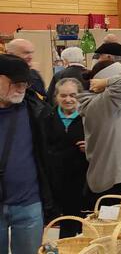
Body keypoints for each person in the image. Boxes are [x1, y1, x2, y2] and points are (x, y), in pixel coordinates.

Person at [0, 55, 55, 254]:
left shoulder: (37, 110)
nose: (21, 87)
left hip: (29, 203)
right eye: (15, 82)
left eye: (25, 82)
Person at [78, 59, 121, 206]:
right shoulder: (99, 103)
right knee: (113, 225)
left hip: (120, 176)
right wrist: (106, 82)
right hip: (114, 180)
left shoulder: (105, 103)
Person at [45, 78, 88, 238]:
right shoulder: (46, 118)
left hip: (84, 183)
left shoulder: (88, 118)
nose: (68, 99)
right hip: (57, 183)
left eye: (73, 95)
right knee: (66, 228)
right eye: (63, 95)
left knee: (87, 228)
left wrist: (91, 146)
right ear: (56, 96)